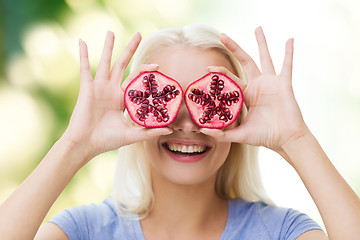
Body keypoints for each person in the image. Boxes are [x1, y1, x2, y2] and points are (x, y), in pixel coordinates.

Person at [0, 24, 359, 240]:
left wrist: (296, 140)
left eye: (207, 101)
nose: (186, 123)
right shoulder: (86, 230)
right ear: (133, 114)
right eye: (165, 99)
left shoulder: (280, 231)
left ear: (238, 116)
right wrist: (75, 145)